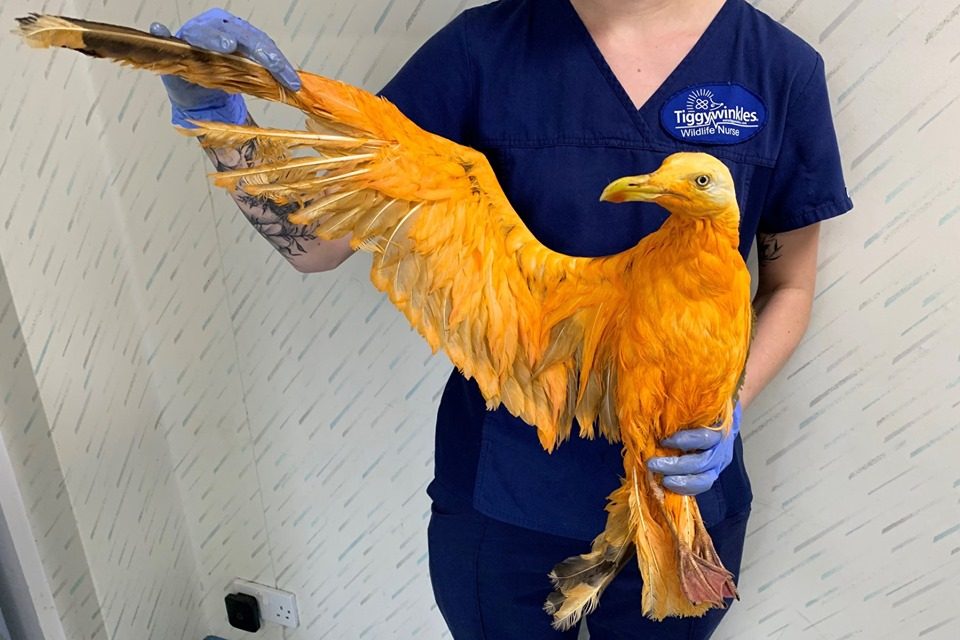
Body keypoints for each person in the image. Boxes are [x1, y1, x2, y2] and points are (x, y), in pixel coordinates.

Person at [151, 0, 852, 637]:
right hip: (503, 501)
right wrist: (220, 125)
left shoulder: (777, 69)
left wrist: (728, 407)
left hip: (681, 504)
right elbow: (318, 245)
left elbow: (788, 283)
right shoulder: (483, 49)